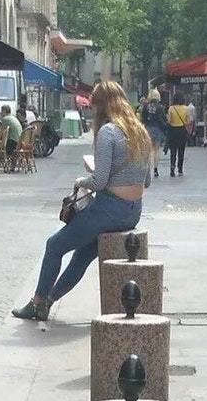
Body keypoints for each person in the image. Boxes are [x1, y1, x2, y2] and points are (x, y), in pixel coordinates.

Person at [12, 80, 151, 322]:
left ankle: (37, 303)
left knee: (54, 246)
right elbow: (146, 180)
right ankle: (48, 301)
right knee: (81, 256)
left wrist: (81, 179)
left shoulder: (108, 132)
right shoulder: (139, 132)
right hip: (132, 212)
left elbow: (99, 182)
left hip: (108, 210)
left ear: (101, 106)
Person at [141, 88, 167, 178]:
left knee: (149, 150)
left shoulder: (146, 107)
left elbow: (143, 119)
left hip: (148, 129)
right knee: (156, 150)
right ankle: (156, 169)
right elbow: (164, 119)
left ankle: (148, 169)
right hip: (158, 130)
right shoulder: (160, 107)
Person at [167, 91, 190, 177]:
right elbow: (188, 121)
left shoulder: (171, 108)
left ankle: (172, 169)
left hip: (173, 131)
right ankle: (180, 169)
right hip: (182, 130)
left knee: (173, 151)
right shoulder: (186, 108)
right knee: (181, 151)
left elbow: (169, 121)